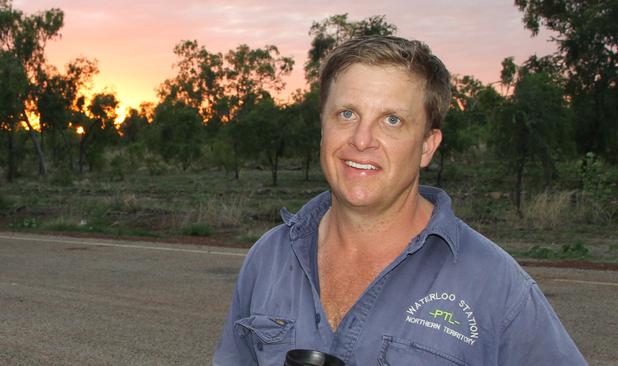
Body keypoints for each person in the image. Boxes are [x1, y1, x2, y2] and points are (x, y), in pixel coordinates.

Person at [213, 35, 587, 366]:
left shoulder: (496, 286)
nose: (362, 140)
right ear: (323, 127)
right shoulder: (269, 259)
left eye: (391, 120)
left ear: (427, 146)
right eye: (347, 114)